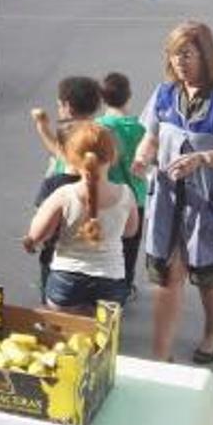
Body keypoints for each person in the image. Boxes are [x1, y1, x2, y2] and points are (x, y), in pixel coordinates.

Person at [132, 22, 213, 364]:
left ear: (206, 55)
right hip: (168, 203)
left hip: (209, 204)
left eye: (186, 55)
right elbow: (152, 136)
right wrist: (142, 157)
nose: (179, 63)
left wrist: (203, 158)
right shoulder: (164, 94)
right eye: (174, 56)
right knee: (169, 276)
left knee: (208, 276)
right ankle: (161, 356)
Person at [23, 122, 139, 313]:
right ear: (112, 156)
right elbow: (130, 231)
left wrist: (30, 241)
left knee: (65, 337)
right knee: (102, 340)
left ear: (71, 158)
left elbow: (37, 234)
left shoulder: (64, 194)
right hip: (111, 282)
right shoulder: (126, 194)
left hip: (66, 281)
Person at [29, 76, 102, 302]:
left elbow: (43, 221)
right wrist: (43, 128)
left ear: (67, 106)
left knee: (54, 304)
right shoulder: (98, 135)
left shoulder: (54, 185)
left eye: (59, 104)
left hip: (57, 257)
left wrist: (32, 239)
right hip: (95, 255)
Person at [96, 72, 147, 296]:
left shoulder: (98, 126)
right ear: (129, 96)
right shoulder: (140, 128)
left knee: (104, 241)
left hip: (105, 195)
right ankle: (125, 284)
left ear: (102, 99)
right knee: (130, 244)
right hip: (135, 196)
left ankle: (100, 280)